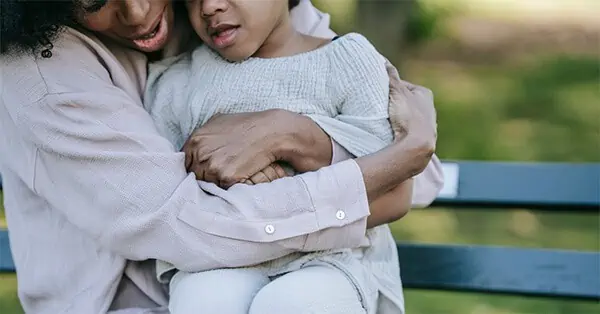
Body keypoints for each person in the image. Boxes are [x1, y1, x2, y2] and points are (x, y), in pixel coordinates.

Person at [0, 1, 442, 314]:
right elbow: (188, 224)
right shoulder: (43, 74)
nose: (136, 12)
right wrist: (397, 161)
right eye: (95, 0)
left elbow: (414, 182)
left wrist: (297, 135)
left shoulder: (256, 18)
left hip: (315, 275)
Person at [144, 1, 432, 313]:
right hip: (221, 258)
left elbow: (389, 182)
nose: (209, 6)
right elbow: (170, 196)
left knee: (292, 302)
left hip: (335, 261)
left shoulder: (347, 61)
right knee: (203, 298)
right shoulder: (178, 83)